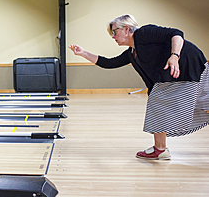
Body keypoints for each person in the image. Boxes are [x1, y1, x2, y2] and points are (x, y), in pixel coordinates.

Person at [69, 14, 209, 160]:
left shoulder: (144, 33)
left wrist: (174, 56)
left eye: (114, 32)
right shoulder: (132, 53)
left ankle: (160, 149)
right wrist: (83, 53)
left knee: (161, 101)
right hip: (179, 74)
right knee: (167, 101)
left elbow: (177, 33)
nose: (113, 36)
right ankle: (160, 149)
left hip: (189, 64)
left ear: (127, 29)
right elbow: (108, 63)